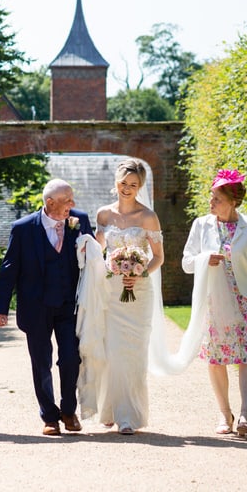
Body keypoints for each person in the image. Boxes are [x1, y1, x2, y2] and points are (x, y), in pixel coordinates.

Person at [0, 179, 94, 436]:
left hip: (69, 305)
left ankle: (69, 410)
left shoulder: (79, 220)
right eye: (67, 200)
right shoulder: (23, 228)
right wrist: (1, 308)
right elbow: (9, 270)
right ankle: (50, 417)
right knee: (41, 362)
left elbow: (93, 260)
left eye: (72, 199)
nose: (72, 204)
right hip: (36, 306)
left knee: (71, 358)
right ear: (50, 203)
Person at [181, 168, 247, 437]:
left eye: (217, 199)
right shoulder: (201, 225)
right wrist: (204, 259)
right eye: (211, 198)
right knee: (216, 359)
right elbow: (186, 262)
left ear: (233, 201)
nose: (211, 204)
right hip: (213, 302)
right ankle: (225, 414)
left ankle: (245, 414)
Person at [74, 159, 163, 435]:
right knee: (111, 351)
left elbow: (158, 257)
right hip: (111, 291)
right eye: (124, 183)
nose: (127, 189)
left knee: (133, 353)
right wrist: (82, 244)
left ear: (140, 187)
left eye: (133, 185)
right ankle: (110, 410)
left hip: (139, 292)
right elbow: (97, 251)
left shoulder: (148, 216)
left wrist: (140, 273)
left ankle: (129, 416)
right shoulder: (103, 215)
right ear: (116, 182)